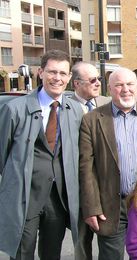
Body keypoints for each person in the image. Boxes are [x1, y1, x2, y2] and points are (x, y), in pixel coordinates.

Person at [0, 50, 83, 259]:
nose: (57, 78)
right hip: (24, 196)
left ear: (70, 78)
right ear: (40, 73)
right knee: (21, 252)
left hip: (57, 198)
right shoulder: (15, 109)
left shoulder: (75, 110)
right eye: (52, 72)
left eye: (63, 73)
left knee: (52, 253)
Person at [79, 67, 137, 260]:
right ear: (109, 89)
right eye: (119, 85)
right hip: (111, 205)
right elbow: (86, 168)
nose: (125, 89)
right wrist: (91, 207)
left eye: (130, 84)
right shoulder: (92, 120)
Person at [70, 61, 111, 260]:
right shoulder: (65, 107)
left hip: (107, 183)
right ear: (76, 83)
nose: (98, 84)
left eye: (99, 79)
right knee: (82, 240)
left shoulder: (107, 103)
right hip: (79, 184)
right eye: (92, 80)